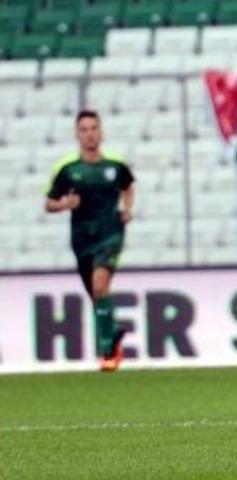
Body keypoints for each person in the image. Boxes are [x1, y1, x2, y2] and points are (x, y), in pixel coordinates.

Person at [45, 110, 134, 372]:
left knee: (100, 283)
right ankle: (113, 331)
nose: (90, 133)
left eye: (94, 128)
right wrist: (64, 204)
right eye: (84, 129)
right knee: (97, 294)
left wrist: (127, 209)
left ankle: (107, 351)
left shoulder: (115, 165)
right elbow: (49, 203)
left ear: (101, 131)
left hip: (111, 232)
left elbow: (128, 186)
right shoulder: (67, 169)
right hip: (82, 238)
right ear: (77, 134)